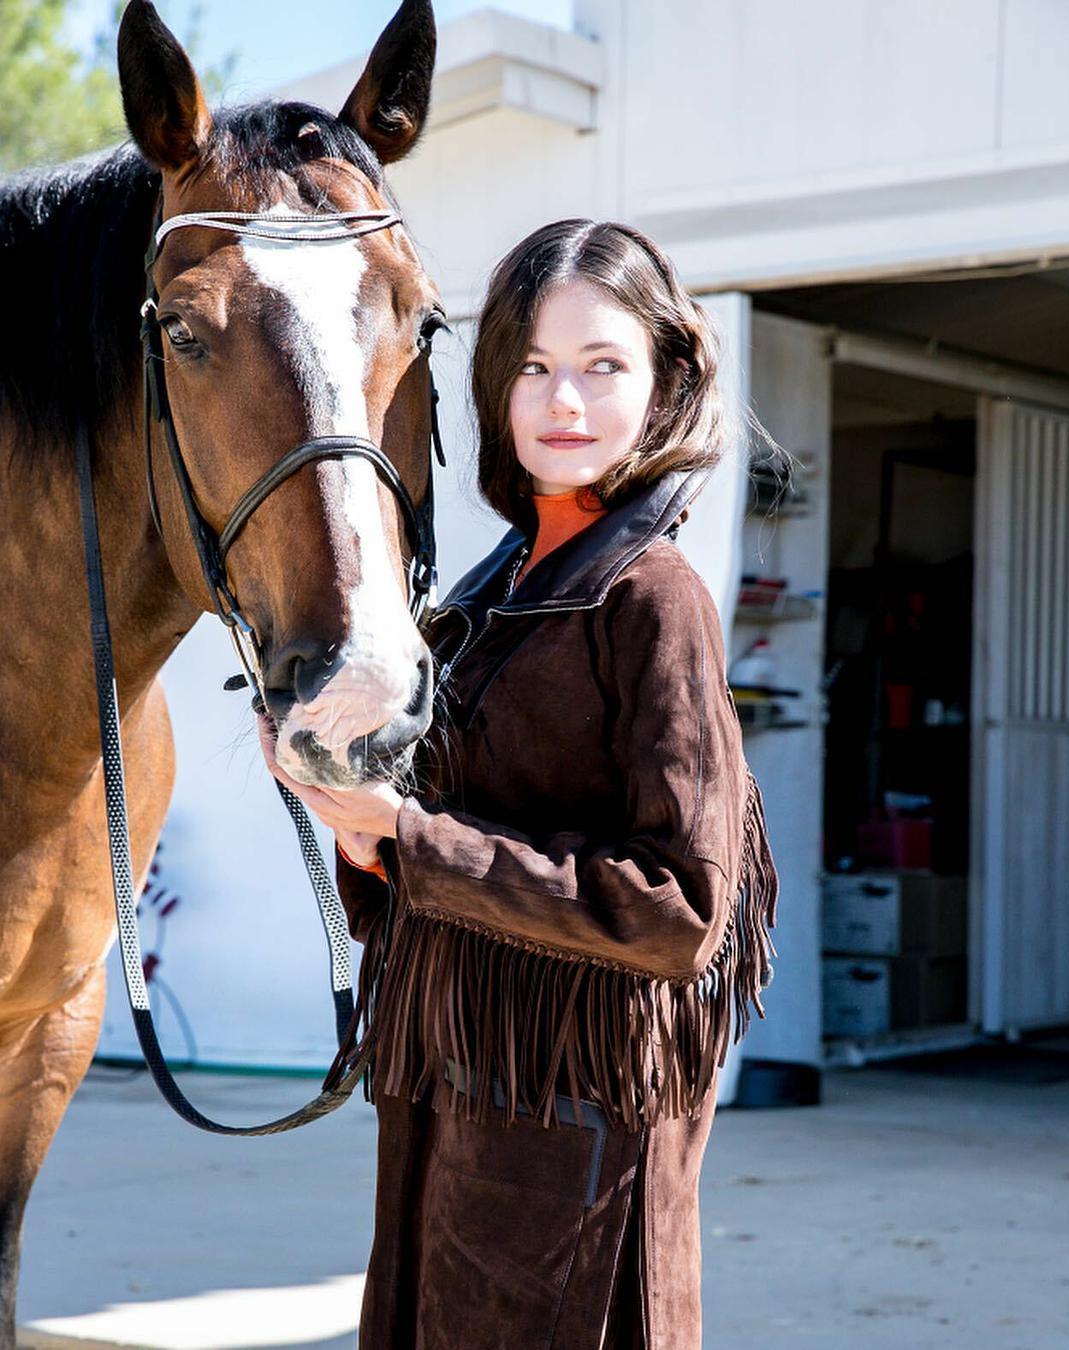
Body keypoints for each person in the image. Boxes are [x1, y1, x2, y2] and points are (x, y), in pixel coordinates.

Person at [261, 219, 778, 1350]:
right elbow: (439, 854)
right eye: (536, 367)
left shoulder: (652, 596)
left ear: (664, 380)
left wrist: (413, 832)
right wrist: (361, 829)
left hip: (570, 1134)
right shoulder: (495, 588)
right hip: (448, 1094)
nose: (565, 402)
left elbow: (684, 909)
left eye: (604, 367)